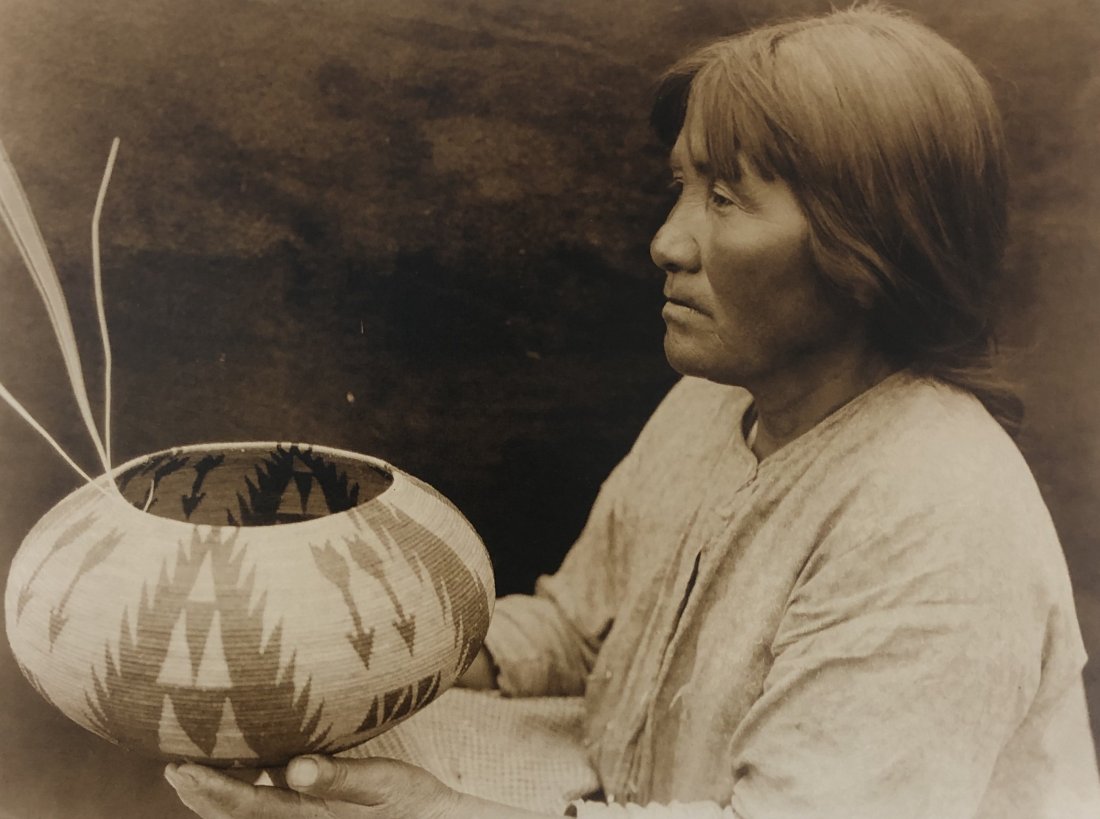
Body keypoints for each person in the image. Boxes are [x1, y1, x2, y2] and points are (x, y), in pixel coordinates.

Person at [165, 5, 1100, 818]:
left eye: (726, 199)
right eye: (681, 189)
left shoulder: (937, 515)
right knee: (293, 767)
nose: (666, 241)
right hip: (619, 783)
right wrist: (361, 660)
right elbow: (579, 628)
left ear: (870, 251)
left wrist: (429, 812)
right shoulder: (714, 400)